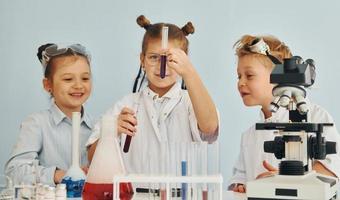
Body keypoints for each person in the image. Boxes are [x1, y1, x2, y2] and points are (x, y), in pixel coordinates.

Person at [86, 15, 219, 175]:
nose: (162, 66)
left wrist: (189, 72)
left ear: (184, 60)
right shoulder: (126, 105)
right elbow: (92, 159)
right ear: (142, 60)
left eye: (171, 59)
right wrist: (111, 131)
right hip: (135, 195)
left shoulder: (191, 102)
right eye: (153, 57)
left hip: (181, 194)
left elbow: (210, 127)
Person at [228, 35, 340, 193]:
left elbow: (330, 169)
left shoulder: (317, 117)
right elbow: (240, 176)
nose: (241, 82)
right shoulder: (249, 135)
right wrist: (239, 186)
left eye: (249, 75)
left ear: (279, 76)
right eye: (239, 76)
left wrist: (284, 179)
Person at [5, 43, 94, 186]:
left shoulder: (97, 128)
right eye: (68, 79)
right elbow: (14, 171)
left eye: (85, 78)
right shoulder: (36, 123)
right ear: (48, 85)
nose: (78, 85)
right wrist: (57, 175)